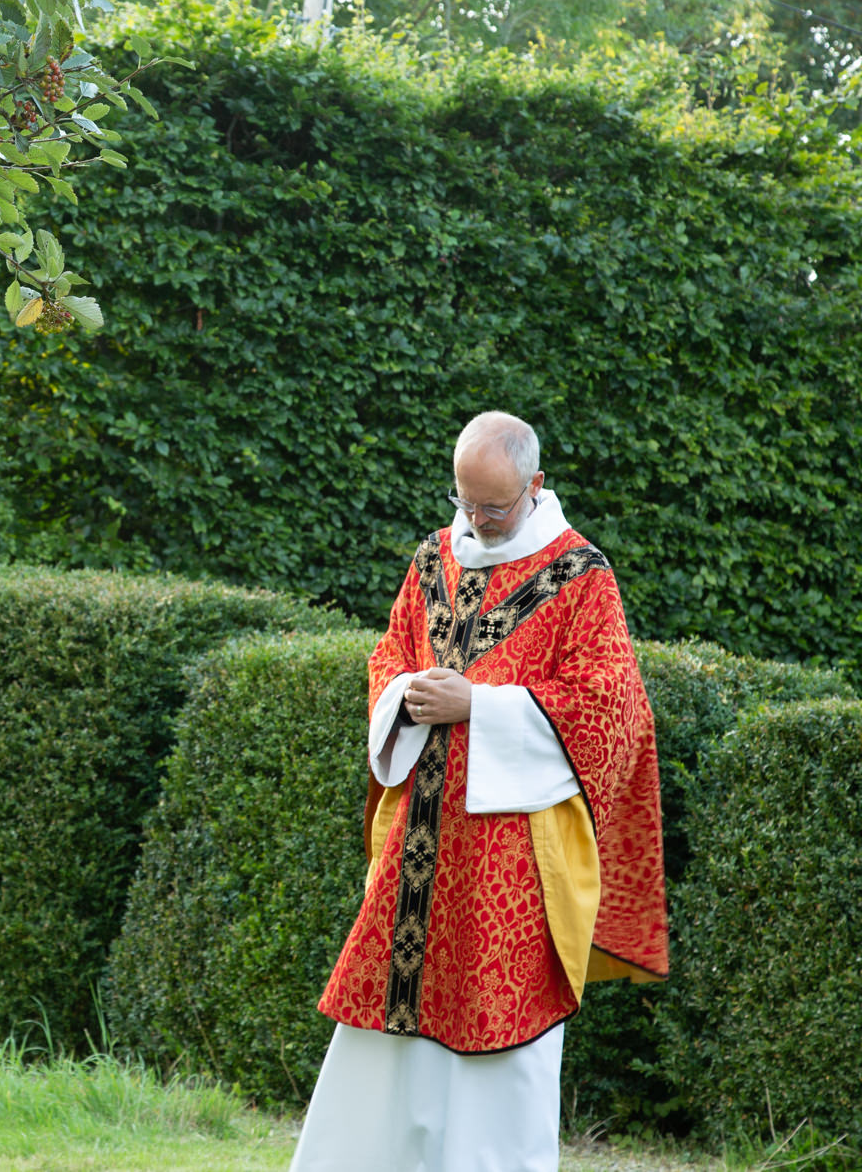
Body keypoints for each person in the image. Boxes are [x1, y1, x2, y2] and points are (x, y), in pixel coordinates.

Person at [289, 410, 669, 1172]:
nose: (476, 519)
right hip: (418, 844)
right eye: (464, 500)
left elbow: (612, 706)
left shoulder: (581, 573)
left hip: (513, 859)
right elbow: (389, 652)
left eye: (493, 505)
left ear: (534, 486)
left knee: (499, 1017)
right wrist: (405, 694)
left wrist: (481, 706)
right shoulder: (434, 556)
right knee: (389, 1010)